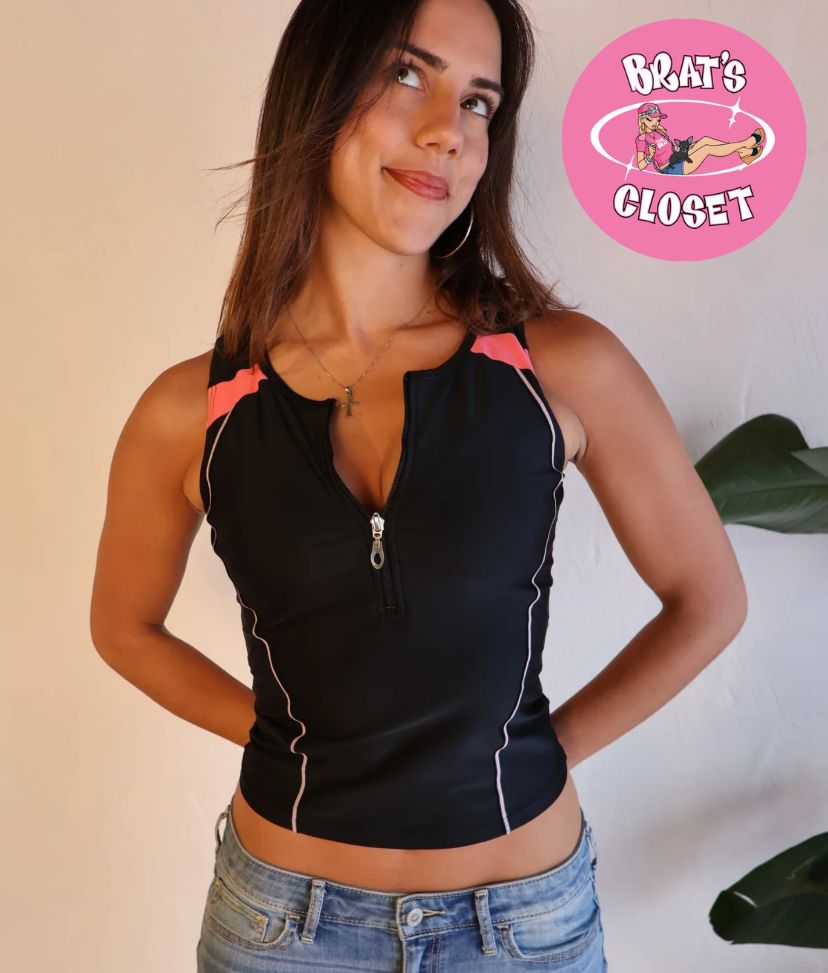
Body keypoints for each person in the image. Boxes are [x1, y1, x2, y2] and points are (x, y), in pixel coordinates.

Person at [90, 1, 748, 969]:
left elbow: (710, 600)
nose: (450, 130)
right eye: (408, 73)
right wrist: (291, 733)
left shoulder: (561, 368)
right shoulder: (191, 410)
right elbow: (123, 628)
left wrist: (541, 745)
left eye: (480, 101)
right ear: (317, 89)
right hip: (282, 929)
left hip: (522, 927)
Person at [635, 101, 766, 174]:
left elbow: (668, 149)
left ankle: (744, 151)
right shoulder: (642, 139)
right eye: (652, 118)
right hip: (670, 169)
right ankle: (746, 145)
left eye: (658, 119)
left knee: (705, 140)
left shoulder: (659, 131)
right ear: (643, 119)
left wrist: (683, 147)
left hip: (677, 157)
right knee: (706, 149)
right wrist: (649, 156)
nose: (656, 122)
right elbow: (640, 165)